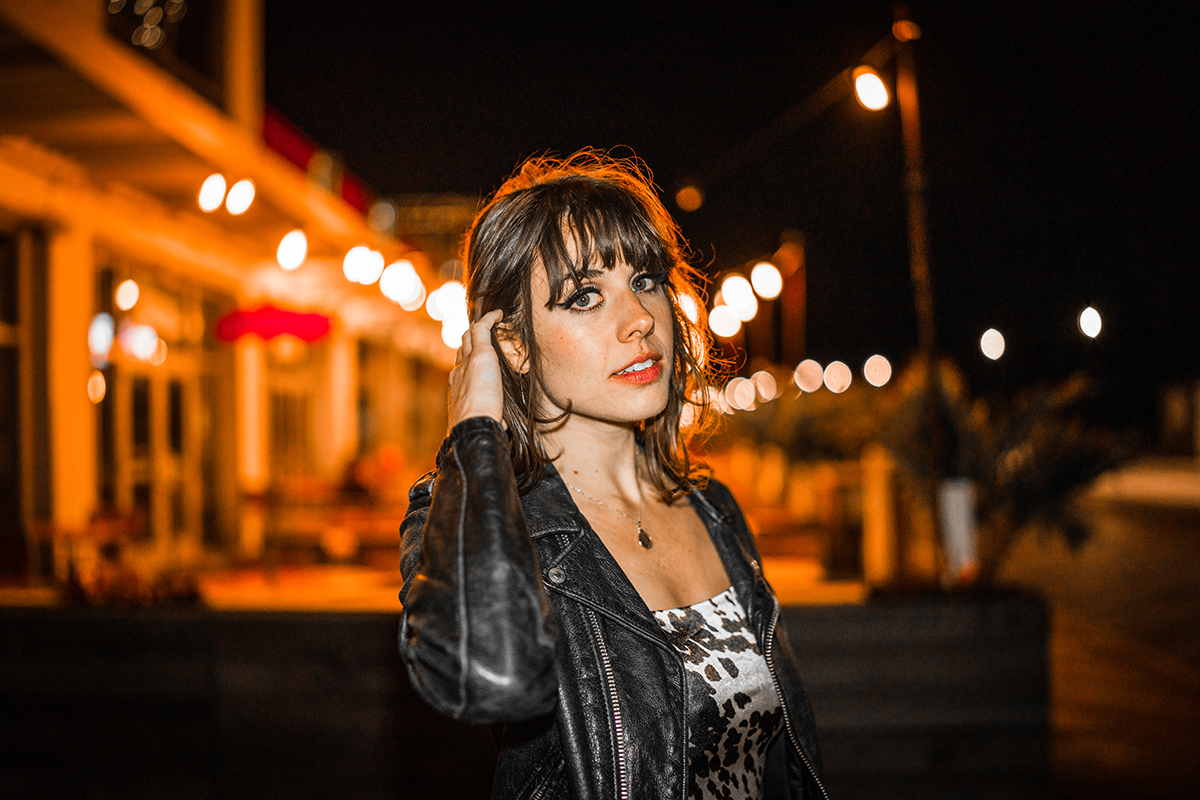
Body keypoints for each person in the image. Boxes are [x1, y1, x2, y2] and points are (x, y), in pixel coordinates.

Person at [399, 150, 827, 800]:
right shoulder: (473, 519)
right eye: (585, 296)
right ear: (511, 343)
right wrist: (475, 435)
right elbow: (490, 679)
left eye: (646, 279)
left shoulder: (712, 507)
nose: (641, 319)